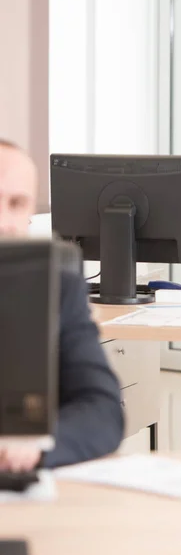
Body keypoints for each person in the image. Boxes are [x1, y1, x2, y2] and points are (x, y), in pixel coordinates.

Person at [0, 139, 124, 470]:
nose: (3, 222)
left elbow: (103, 411)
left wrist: (35, 444)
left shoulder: (58, 289)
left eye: (16, 204)